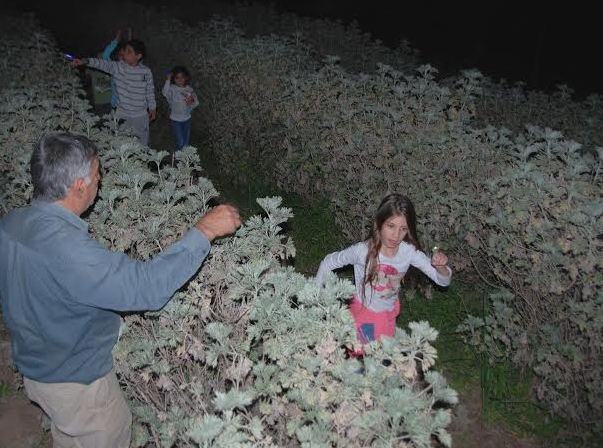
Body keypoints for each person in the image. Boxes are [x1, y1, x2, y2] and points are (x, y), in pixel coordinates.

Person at [0, 133, 241, 448]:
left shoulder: (12, 222)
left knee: (69, 436)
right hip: (76, 383)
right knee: (108, 432)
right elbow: (145, 288)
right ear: (79, 187)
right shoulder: (68, 249)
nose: (100, 184)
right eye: (98, 176)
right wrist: (204, 231)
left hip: (37, 365)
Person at [315, 193, 452, 345]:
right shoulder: (362, 251)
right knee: (361, 360)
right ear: (380, 223)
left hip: (388, 315)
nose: (396, 235)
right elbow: (328, 262)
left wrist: (441, 268)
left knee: (382, 361)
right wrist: (314, 297)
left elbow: (443, 281)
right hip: (363, 314)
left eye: (403, 229)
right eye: (391, 226)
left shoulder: (409, 252)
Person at [73, 39, 156, 146]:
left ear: (138, 56)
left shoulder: (146, 72)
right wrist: (86, 61)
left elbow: (150, 90)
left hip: (141, 116)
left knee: (142, 144)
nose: (124, 53)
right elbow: (102, 64)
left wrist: (152, 107)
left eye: (128, 52)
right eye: (125, 50)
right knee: (122, 144)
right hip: (123, 114)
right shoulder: (117, 67)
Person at [162, 66, 198, 152]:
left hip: (187, 119)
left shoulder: (189, 89)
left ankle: (183, 161)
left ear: (186, 77)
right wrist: (168, 79)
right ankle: (177, 159)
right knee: (180, 142)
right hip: (175, 120)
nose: (180, 80)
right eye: (177, 77)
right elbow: (164, 93)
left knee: (186, 143)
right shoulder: (172, 88)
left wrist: (191, 101)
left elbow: (195, 102)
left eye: (182, 77)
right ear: (173, 79)